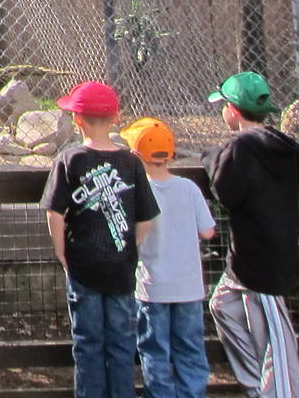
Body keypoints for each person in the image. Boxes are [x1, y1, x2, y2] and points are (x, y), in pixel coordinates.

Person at [205, 71, 299, 398]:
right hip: (253, 261)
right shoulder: (281, 144)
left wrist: (209, 158)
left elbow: (225, 191)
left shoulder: (240, 146)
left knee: (279, 342)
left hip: (260, 263)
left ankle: (283, 393)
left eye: (223, 106)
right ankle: (259, 387)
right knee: (222, 305)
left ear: (232, 110)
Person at [40, 81, 159, 398]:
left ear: (77, 120)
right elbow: (147, 217)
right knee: (121, 342)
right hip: (121, 267)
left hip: (82, 265)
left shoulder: (70, 159)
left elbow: (55, 212)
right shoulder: (131, 161)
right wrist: (130, 247)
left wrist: (61, 251)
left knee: (88, 342)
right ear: (117, 117)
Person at [119, 116, 216, 398]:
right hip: (188, 287)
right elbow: (208, 232)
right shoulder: (189, 188)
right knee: (190, 347)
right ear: (171, 153)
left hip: (152, 288)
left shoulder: (135, 191)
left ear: (136, 156)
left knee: (154, 349)